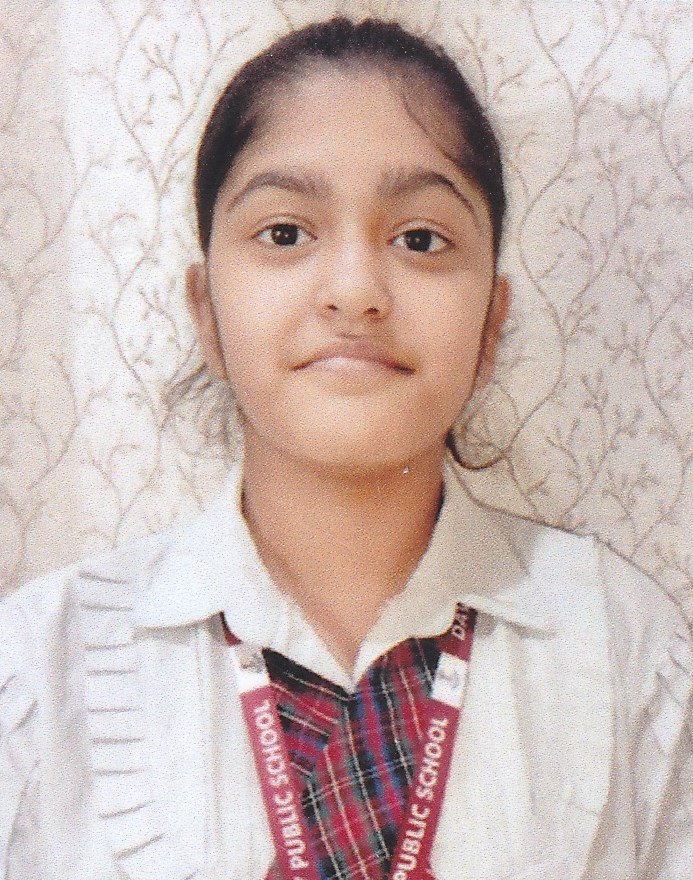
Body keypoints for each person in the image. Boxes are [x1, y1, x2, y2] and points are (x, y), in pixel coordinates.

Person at [0, 15, 690, 880]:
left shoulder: (625, 646)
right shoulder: (41, 666)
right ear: (206, 313)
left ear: (490, 323)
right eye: (285, 233)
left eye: (419, 239)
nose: (356, 291)